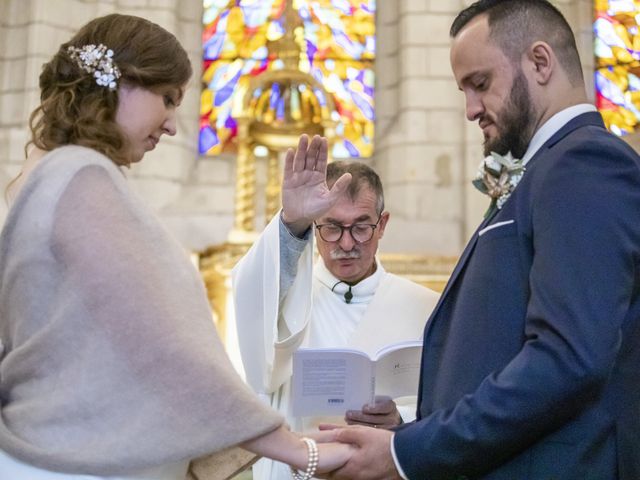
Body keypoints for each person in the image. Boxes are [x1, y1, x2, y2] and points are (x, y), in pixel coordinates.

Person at [0, 13, 353, 480]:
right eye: (166, 99)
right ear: (119, 81)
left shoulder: (43, 176)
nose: (170, 126)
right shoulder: (79, 176)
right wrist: (299, 450)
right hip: (79, 464)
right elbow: (163, 346)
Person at [321, 1, 640, 479]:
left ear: (539, 61)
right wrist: (411, 430)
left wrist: (407, 454)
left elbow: (568, 359)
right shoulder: (547, 170)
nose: (470, 109)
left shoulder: (584, 163)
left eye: (480, 84)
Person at [232, 134, 440, 479]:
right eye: (331, 227)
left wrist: (401, 421)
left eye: (361, 227)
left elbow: (449, 408)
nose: (346, 243)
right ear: (315, 224)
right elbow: (250, 295)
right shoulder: (286, 297)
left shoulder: (425, 308)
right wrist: (291, 222)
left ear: (382, 224)